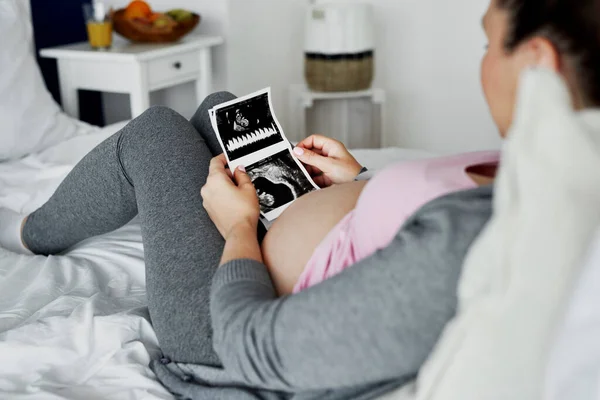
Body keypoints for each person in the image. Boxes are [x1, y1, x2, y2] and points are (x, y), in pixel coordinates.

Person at [1, 0, 599, 398]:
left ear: (537, 62)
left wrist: (237, 230)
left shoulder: (485, 247)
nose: (483, 64)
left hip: (217, 325)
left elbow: (255, 345)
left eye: (489, 45)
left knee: (158, 130)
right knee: (220, 112)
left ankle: (29, 231)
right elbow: (417, 224)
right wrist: (358, 184)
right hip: (292, 238)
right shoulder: (532, 170)